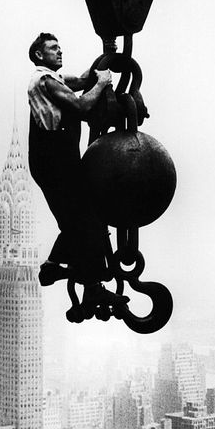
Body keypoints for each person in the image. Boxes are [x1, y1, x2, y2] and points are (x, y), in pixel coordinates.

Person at [27, 32, 129, 310]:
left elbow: (83, 81)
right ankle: (83, 281)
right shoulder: (44, 80)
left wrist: (101, 65)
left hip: (62, 159)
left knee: (85, 217)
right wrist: (104, 83)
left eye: (60, 47)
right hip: (54, 161)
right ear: (39, 55)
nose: (60, 52)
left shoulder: (56, 80)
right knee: (83, 219)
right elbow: (84, 107)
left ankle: (64, 273)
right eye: (53, 48)